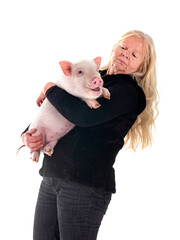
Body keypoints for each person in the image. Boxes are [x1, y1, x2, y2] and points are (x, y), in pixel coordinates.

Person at [22, 30, 159, 240]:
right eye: (123, 47)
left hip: (84, 186)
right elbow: (53, 110)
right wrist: (28, 135)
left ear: (142, 66)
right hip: (52, 176)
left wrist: (49, 87)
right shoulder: (94, 78)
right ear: (114, 47)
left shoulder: (128, 91)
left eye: (134, 55)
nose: (125, 54)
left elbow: (82, 115)